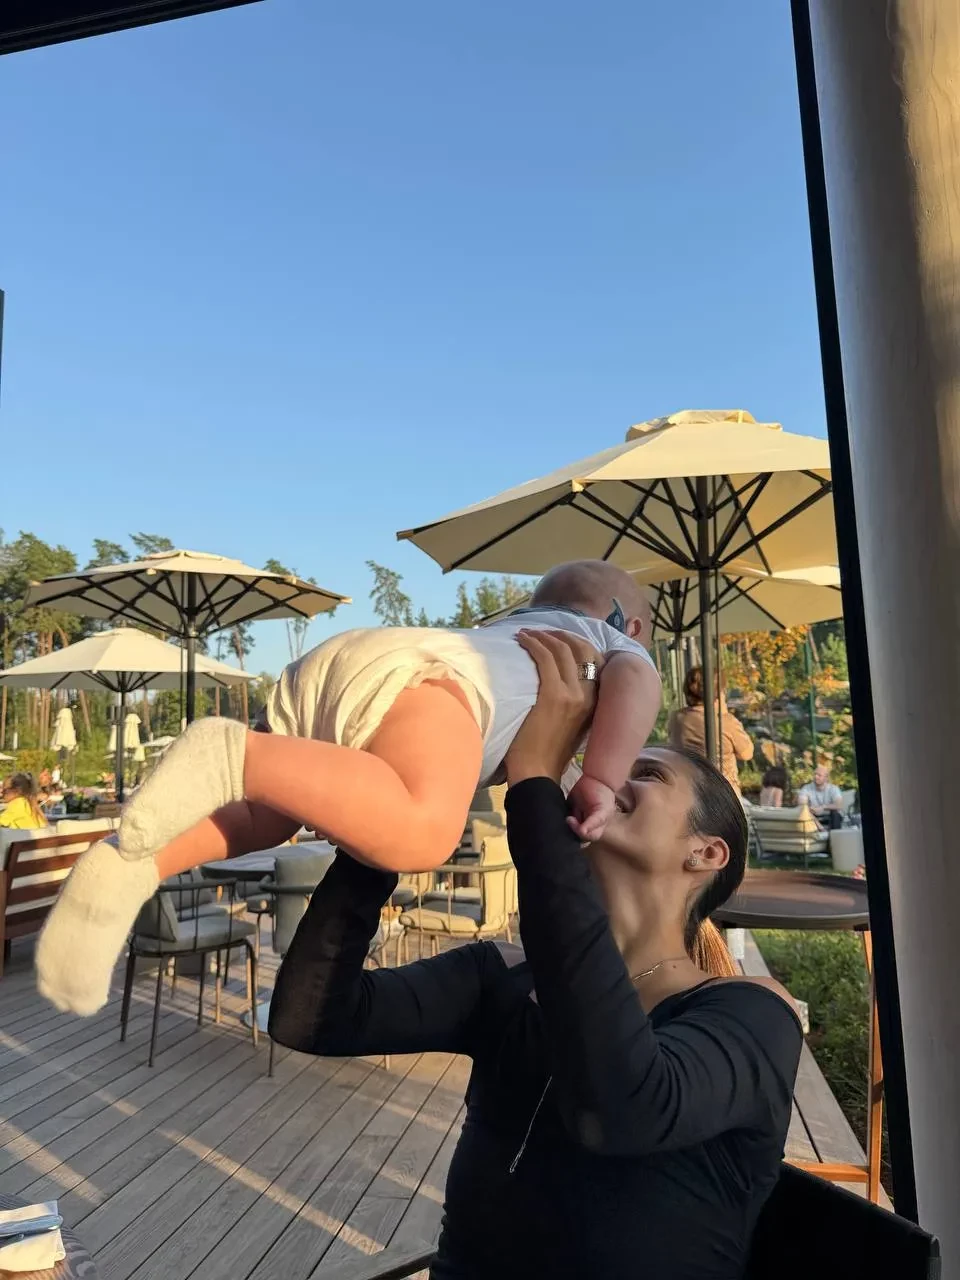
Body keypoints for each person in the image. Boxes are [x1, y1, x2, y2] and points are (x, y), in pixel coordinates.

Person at [267, 630, 803, 1280]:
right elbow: (312, 1018)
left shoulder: (750, 1017)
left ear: (706, 853)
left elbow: (622, 1106)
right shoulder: (500, 982)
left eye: (646, 773)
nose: (607, 775)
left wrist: (536, 787)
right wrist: (381, 832)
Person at [35, 560, 663, 1016]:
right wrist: (603, 779)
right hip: (432, 686)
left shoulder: (510, 634)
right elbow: (636, 684)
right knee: (425, 832)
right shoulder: (608, 646)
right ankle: (235, 755)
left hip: (346, 665)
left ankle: (129, 867)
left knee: (266, 817)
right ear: (629, 624)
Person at [668, 666, 754, 793]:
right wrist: (723, 712)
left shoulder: (677, 719)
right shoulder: (726, 722)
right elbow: (747, 753)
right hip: (724, 793)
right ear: (718, 694)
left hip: (689, 789)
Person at [797, 763, 844, 830]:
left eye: (819, 775)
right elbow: (801, 805)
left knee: (835, 813)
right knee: (804, 811)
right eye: (815, 774)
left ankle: (835, 834)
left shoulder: (833, 789)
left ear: (826, 778)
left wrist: (823, 807)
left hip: (831, 817)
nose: (816, 777)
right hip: (813, 817)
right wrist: (818, 824)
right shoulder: (806, 788)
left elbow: (839, 805)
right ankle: (819, 829)